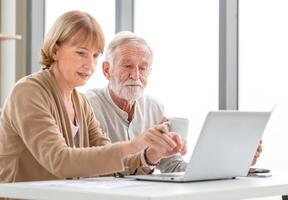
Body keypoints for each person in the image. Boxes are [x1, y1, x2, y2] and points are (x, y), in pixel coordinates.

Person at [0, 11, 185, 183]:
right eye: (81, 53)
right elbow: (60, 161)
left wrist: (152, 153)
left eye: (95, 55)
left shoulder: (80, 102)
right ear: (55, 50)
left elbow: (112, 165)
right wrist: (136, 143)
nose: (90, 65)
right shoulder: (28, 92)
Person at [85, 31, 263, 173]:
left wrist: (233, 163)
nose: (136, 75)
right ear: (107, 70)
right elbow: (97, 166)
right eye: (127, 65)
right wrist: (148, 155)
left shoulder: (154, 108)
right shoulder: (88, 105)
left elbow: (173, 166)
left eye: (143, 67)